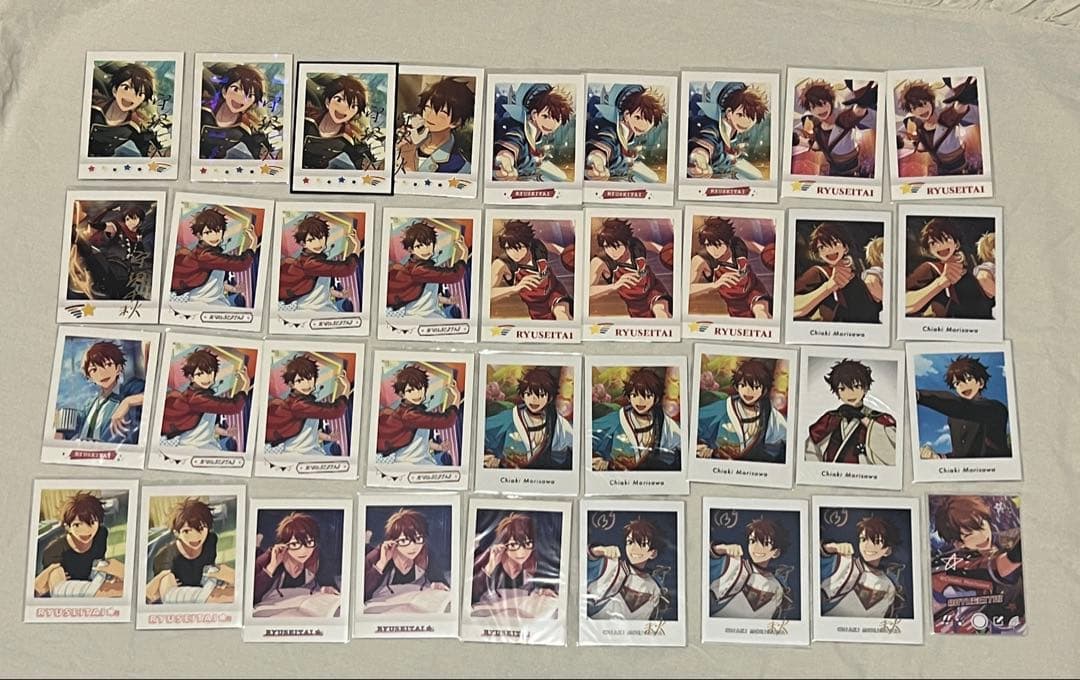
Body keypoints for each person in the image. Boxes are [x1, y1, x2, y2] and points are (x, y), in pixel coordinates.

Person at [931, 496, 1022, 630]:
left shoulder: (1005, 539)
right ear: (958, 543)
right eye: (969, 535)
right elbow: (1000, 567)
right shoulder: (962, 562)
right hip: (991, 627)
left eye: (981, 525)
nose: (981, 536)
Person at [916, 355, 1010, 459]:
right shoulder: (953, 418)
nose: (962, 386)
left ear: (981, 383)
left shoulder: (996, 409)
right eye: (956, 383)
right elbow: (960, 455)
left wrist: (919, 396)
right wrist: (939, 457)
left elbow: (963, 408)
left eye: (968, 379)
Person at [805, 359, 896, 465]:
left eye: (856, 387)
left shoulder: (879, 419)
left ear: (865, 388)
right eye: (842, 389)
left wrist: (864, 420)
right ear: (837, 392)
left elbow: (893, 453)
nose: (850, 393)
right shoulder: (831, 418)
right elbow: (810, 447)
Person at [34, 492, 124, 598]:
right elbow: (59, 590)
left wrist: (108, 573)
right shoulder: (54, 551)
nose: (85, 530)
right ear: (67, 527)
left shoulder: (101, 534)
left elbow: (98, 565)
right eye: (77, 525)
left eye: (92, 522)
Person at [696, 358, 786, 463]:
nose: (748, 391)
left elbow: (784, 440)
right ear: (737, 386)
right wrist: (708, 451)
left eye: (755, 386)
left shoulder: (769, 414)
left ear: (764, 389)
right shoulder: (724, 407)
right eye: (743, 385)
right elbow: (694, 423)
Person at [592, 368, 681, 471]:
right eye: (634, 395)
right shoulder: (618, 418)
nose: (640, 401)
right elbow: (589, 435)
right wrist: (599, 460)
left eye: (647, 396)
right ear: (629, 397)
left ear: (656, 398)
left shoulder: (662, 420)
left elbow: (680, 442)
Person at [160, 348, 249, 451]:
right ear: (191, 377)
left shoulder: (205, 395)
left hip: (202, 444)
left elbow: (205, 423)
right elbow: (234, 407)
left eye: (209, 372)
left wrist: (225, 432)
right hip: (193, 447)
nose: (206, 378)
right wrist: (245, 384)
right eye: (199, 374)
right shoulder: (196, 398)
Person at [484, 367, 573, 470]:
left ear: (549, 397)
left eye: (541, 395)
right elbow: (482, 431)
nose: (534, 400)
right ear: (523, 395)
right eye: (529, 394)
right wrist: (492, 458)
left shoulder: (558, 423)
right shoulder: (510, 417)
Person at [146, 498, 233, 603]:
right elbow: (169, 597)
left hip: (206, 592)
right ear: (176, 533)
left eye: (201, 528)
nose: (195, 536)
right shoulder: (165, 558)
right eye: (187, 531)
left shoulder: (210, 540)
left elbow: (209, 570)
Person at [58, 341, 144, 445]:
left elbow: (154, 395)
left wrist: (128, 402)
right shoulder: (90, 404)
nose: (102, 373)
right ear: (90, 377)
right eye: (94, 370)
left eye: (107, 365)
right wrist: (59, 426)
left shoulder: (129, 388)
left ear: (118, 368)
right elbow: (71, 421)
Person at [905, 218, 992, 320]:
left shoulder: (967, 272)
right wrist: (940, 283)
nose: (940, 245)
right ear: (929, 250)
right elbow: (904, 304)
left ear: (956, 244)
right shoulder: (929, 268)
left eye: (946, 239)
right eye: (933, 243)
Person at [264, 355, 350, 456]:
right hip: (296, 453)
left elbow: (307, 430)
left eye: (309, 378)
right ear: (291, 384)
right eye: (299, 381)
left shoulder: (306, 402)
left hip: (303, 450)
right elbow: (335, 411)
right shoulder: (299, 404)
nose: (306, 384)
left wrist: (328, 437)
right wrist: (346, 390)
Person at [792, 222, 880, 323]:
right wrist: (829, 287)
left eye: (834, 243)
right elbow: (792, 307)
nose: (829, 249)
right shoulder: (818, 273)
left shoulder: (856, 276)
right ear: (819, 254)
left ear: (845, 248)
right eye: (822, 247)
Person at [687, 217, 772, 319]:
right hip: (735, 304)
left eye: (718, 244)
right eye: (708, 245)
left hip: (754, 290)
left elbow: (753, 245)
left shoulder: (737, 243)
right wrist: (714, 285)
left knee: (762, 313)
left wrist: (768, 252)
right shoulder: (701, 260)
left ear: (727, 241)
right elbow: (686, 289)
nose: (713, 250)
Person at [375, 365, 461, 465]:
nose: (417, 394)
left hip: (415, 459)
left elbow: (419, 438)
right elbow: (447, 421)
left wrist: (438, 447)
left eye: (419, 388)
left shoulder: (414, 411)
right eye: (410, 390)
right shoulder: (410, 414)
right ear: (402, 394)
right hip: (407, 462)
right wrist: (456, 398)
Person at [488, 220, 573, 321]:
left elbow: (554, 248)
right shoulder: (501, 264)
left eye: (518, 247)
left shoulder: (537, 245)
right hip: (537, 307)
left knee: (562, 314)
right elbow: (487, 293)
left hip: (555, 291)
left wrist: (569, 254)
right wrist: (515, 288)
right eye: (508, 248)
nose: (513, 253)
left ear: (528, 243)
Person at [170, 208, 255, 308]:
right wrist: (253, 243)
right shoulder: (206, 255)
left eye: (218, 230)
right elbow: (242, 264)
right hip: (201, 302)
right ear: (199, 235)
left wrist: (233, 289)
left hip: (210, 299)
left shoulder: (212, 254)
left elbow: (213, 281)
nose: (214, 236)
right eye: (208, 232)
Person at [586, 517, 668, 620]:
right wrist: (599, 551)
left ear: (653, 553)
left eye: (642, 544)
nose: (633, 548)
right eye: (630, 542)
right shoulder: (612, 565)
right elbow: (583, 562)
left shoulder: (654, 588)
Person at [791, 79, 877, 177]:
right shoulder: (818, 126)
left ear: (830, 101)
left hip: (851, 170)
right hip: (834, 170)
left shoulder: (842, 120)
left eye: (823, 103)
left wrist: (862, 104)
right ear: (810, 109)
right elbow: (819, 146)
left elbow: (855, 114)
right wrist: (798, 141)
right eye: (813, 107)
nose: (819, 109)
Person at [589, 218, 673, 319]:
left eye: (617, 246)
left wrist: (664, 251)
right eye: (607, 246)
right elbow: (586, 291)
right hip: (636, 305)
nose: (612, 251)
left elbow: (650, 245)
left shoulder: (635, 245)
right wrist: (614, 286)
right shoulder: (600, 262)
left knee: (661, 313)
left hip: (654, 289)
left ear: (626, 242)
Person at [384, 220, 469, 319]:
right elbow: (454, 275)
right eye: (419, 246)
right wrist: (464, 253)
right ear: (411, 250)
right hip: (419, 315)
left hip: (425, 313)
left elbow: (427, 294)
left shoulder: (424, 266)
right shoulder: (419, 269)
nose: (425, 249)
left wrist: (447, 301)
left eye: (428, 243)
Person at [278, 214, 361, 314]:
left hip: (312, 304)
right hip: (306, 307)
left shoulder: (316, 260)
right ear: (303, 243)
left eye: (321, 237)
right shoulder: (310, 263)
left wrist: (339, 294)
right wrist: (357, 247)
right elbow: (347, 269)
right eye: (311, 240)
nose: (317, 243)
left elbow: (319, 285)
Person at [709, 517, 790, 619]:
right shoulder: (735, 564)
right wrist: (721, 549)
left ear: (776, 552)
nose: (756, 547)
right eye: (752, 541)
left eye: (765, 543)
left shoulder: (777, 587)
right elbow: (704, 563)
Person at [897, 77, 980, 176]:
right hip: (941, 169)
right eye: (914, 108)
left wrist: (963, 100)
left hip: (959, 167)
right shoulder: (920, 126)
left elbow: (957, 110)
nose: (920, 110)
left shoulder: (944, 117)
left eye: (923, 104)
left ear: (931, 101)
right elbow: (924, 146)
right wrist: (902, 143)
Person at [364, 509, 449, 603]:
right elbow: (361, 592)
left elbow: (442, 583)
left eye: (418, 539)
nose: (413, 547)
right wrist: (381, 563)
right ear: (392, 541)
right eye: (404, 541)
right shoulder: (379, 554)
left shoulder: (425, 555)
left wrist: (437, 585)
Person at [253, 512, 339, 606]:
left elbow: (328, 583)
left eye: (309, 543)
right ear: (284, 544)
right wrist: (272, 566)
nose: (303, 551)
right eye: (294, 544)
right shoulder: (271, 556)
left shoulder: (316, 558)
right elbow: (251, 596)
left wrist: (326, 588)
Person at [687, 82, 769, 179]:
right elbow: (706, 141)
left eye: (752, 118)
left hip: (725, 169)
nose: (746, 122)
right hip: (711, 175)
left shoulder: (733, 129)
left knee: (756, 176)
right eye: (740, 115)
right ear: (729, 112)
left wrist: (735, 151)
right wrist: (699, 159)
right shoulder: (712, 127)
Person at [492, 83, 574, 181]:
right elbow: (510, 145)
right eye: (545, 116)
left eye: (557, 119)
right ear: (534, 114)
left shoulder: (537, 132)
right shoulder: (518, 130)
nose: (551, 124)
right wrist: (504, 162)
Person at [585, 84, 666, 182]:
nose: (643, 125)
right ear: (626, 115)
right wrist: (597, 161)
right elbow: (603, 145)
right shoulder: (609, 130)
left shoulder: (631, 132)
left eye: (649, 120)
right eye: (637, 117)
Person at [472, 513, 556, 607]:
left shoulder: (533, 565)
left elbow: (535, 590)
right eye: (513, 545)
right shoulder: (489, 559)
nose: (521, 552)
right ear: (503, 544)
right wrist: (489, 567)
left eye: (528, 544)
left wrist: (542, 592)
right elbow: (470, 595)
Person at [396, 77, 473, 174]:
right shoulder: (411, 139)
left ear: (455, 122)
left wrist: (409, 161)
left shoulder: (459, 166)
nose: (429, 115)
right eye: (427, 107)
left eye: (441, 112)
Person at [87, 62, 164, 157]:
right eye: (126, 88)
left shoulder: (136, 126)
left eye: (140, 93)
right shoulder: (93, 105)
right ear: (115, 90)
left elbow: (152, 153)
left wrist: (164, 145)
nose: (131, 96)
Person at [199, 63, 273, 160]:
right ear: (224, 91)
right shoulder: (204, 110)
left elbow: (264, 158)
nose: (241, 98)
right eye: (236, 89)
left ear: (253, 103)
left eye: (250, 95)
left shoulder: (246, 128)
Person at [302, 75, 377, 170]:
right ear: (328, 102)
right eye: (339, 100)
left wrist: (378, 159)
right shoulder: (306, 117)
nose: (344, 109)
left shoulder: (349, 139)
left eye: (353, 106)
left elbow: (364, 164)